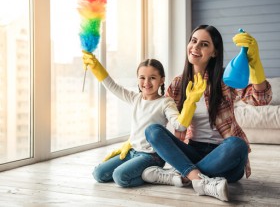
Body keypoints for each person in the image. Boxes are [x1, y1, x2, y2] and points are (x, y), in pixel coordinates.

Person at [141, 25, 272, 201]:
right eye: (193, 41)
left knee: (238, 145)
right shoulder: (178, 84)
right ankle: (201, 180)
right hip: (193, 149)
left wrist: (255, 64)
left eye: (204, 44)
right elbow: (156, 120)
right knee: (152, 130)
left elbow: (260, 99)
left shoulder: (225, 79)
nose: (195, 47)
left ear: (214, 53)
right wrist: (131, 144)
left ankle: (184, 175)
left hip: (224, 155)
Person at [82, 53, 201, 187]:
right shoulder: (135, 98)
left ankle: (160, 175)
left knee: (120, 177)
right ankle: (147, 173)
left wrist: (190, 102)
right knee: (99, 174)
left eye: (152, 78)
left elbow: (179, 126)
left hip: (151, 156)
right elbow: (112, 86)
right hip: (131, 151)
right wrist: (96, 66)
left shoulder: (166, 102)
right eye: (142, 78)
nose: (146, 83)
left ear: (162, 80)